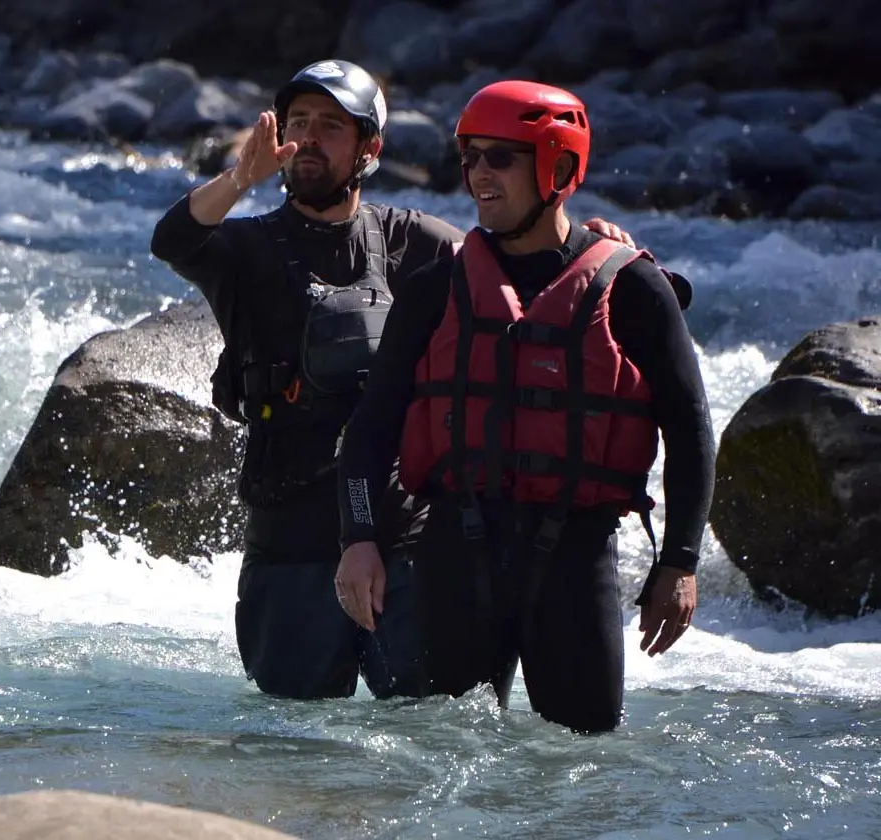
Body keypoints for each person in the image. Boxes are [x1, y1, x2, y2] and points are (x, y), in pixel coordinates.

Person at [150, 62, 636, 702]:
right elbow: (173, 240)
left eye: (331, 126)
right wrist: (242, 177)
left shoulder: (418, 243)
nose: (309, 138)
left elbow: (526, 265)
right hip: (289, 542)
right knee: (290, 746)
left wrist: (590, 243)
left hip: (407, 540)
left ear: (370, 149)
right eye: (298, 123)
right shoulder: (244, 250)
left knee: (424, 738)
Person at [334, 80, 716, 732]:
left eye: (501, 157)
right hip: (454, 547)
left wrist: (678, 561)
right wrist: (360, 539)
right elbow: (371, 426)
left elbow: (691, 429)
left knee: (582, 764)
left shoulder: (634, 289)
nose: (479, 173)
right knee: (436, 759)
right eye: (470, 157)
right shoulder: (435, 290)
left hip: (575, 553)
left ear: (560, 168)